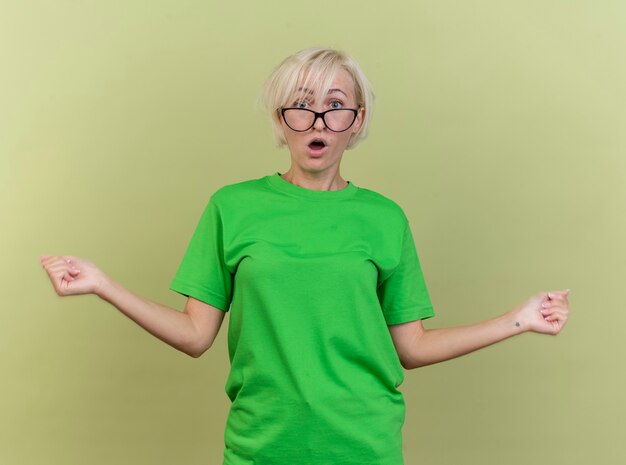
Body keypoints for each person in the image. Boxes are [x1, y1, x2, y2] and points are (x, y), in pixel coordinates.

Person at [40, 47, 570, 465]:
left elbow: (412, 346)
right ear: (281, 119)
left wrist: (518, 319)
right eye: (302, 103)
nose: (318, 118)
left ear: (357, 121)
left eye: (336, 105)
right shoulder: (232, 207)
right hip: (261, 448)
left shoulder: (384, 218)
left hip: (364, 448)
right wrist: (103, 285)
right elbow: (195, 336)